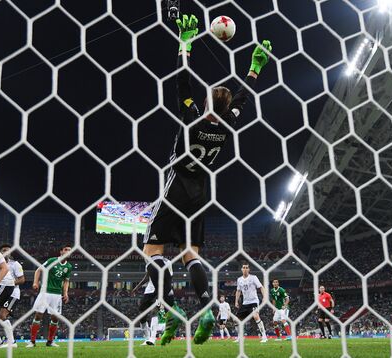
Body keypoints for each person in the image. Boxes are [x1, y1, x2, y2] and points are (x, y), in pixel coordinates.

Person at [141, 12, 272, 346]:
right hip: (202, 193)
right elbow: (243, 96)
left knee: (152, 249)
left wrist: (185, 43)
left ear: (206, 101)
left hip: (177, 185)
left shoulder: (191, 119)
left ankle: (168, 307)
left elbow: (181, 81)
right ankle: (207, 307)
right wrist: (255, 68)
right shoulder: (228, 125)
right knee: (190, 254)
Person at [26, 244, 72, 348]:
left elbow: (66, 281)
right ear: (61, 252)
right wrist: (35, 282)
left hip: (57, 295)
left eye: (70, 250)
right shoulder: (52, 261)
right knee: (38, 315)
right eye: (66, 249)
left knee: (55, 318)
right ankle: (32, 341)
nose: (68, 251)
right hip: (45, 292)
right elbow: (39, 270)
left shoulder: (69, 267)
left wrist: (65, 293)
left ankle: (50, 341)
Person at [131, 257, 172, 346]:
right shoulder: (149, 262)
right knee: (142, 314)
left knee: (155, 311)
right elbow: (147, 277)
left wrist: (167, 291)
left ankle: (152, 339)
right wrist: (137, 287)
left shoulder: (167, 262)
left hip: (161, 289)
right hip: (149, 290)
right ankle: (147, 338)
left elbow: (169, 278)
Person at [0, 244, 25, 348]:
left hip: (13, 293)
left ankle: (11, 342)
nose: (6, 252)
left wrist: (9, 283)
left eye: (8, 250)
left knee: (2, 315)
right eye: (4, 250)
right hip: (0, 293)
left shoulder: (15, 264)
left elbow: (22, 279)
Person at [234, 263, 268, 343]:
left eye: (246, 267)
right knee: (236, 320)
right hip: (245, 303)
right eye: (243, 267)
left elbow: (261, 287)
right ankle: (240, 337)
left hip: (254, 301)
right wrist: (236, 301)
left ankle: (264, 336)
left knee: (256, 316)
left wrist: (264, 297)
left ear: (249, 269)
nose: (245, 269)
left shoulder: (253, 278)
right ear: (241, 269)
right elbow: (238, 291)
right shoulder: (239, 279)